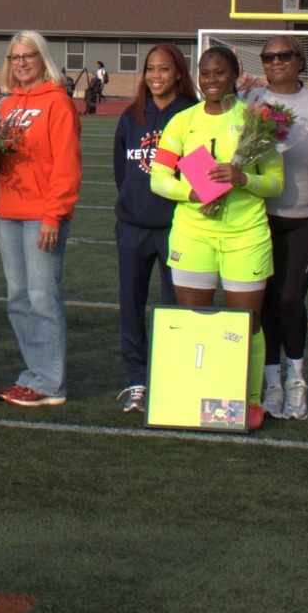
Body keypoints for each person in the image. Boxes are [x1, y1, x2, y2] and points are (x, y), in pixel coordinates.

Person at [149, 47, 283, 418]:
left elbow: (275, 182)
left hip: (246, 235)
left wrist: (243, 178)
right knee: (196, 323)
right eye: (204, 73)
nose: (211, 80)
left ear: (236, 75)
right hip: (193, 235)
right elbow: (158, 180)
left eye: (219, 73)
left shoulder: (256, 121)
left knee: (248, 324)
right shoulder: (183, 121)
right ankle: (199, 398)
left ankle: (250, 402)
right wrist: (190, 193)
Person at [241, 36, 308, 420]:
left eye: (284, 55)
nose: (276, 61)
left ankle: (297, 380)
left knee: (289, 300)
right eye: (268, 56)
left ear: (300, 61)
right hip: (256, 219)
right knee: (264, 301)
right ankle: (271, 384)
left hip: (305, 220)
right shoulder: (249, 102)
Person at [0, 32, 84, 407]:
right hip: (8, 214)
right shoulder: (4, 106)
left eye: (29, 56)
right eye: (15, 58)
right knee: (18, 298)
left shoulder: (58, 103)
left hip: (41, 217)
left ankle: (50, 382)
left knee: (43, 297)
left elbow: (67, 164)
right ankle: (35, 373)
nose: (22, 63)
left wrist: (54, 215)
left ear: (42, 59)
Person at [110, 43, 196, 412]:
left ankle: (172, 376)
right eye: (150, 69)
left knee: (175, 305)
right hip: (133, 227)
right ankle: (136, 380)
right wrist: (132, 203)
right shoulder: (132, 116)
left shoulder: (192, 113)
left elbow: (198, 170)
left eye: (164, 69)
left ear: (178, 73)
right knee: (131, 302)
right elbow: (121, 170)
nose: (156, 76)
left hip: (177, 226)